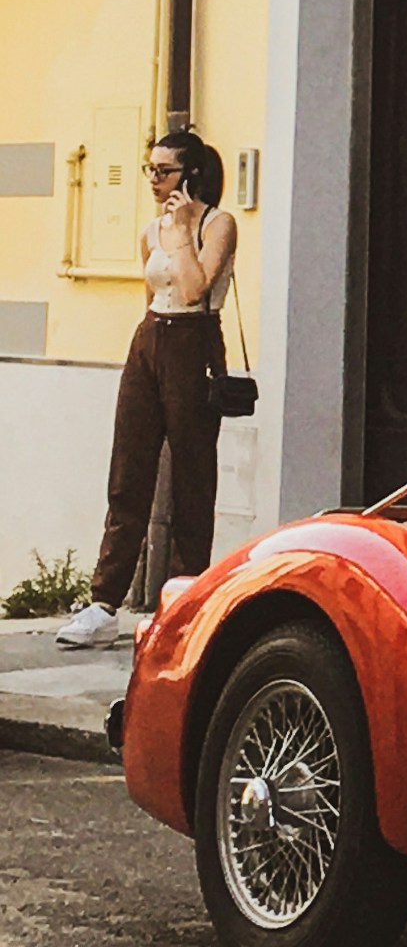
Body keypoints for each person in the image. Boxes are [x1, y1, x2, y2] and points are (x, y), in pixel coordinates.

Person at [56, 127, 239, 650]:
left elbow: (194, 287)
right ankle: (102, 602)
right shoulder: (148, 230)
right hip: (151, 338)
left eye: (165, 171)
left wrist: (182, 230)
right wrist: (145, 349)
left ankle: (182, 603)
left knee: (191, 474)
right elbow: (154, 293)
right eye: (150, 170)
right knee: (129, 469)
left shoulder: (216, 223)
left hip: (195, 341)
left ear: (192, 174)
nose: (155, 181)